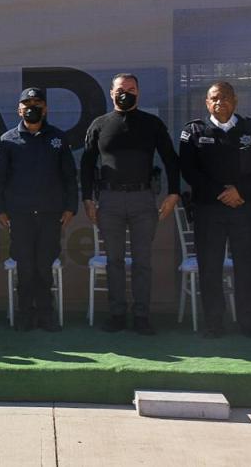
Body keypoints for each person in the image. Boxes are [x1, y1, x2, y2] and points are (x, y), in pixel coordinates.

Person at [81, 73, 181, 335]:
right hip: (110, 200)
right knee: (114, 260)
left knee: (142, 261)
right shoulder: (99, 124)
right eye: (121, 89)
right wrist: (88, 199)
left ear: (139, 92)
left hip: (143, 199)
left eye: (132, 88)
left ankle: (141, 316)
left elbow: (170, 158)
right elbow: (87, 164)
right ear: (111, 93)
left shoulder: (152, 124)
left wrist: (173, 193)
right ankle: (116, 314)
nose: (126, 92)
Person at [179, 81, 251, 339]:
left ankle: (250, 324)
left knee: (247, 266)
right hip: (209, 211)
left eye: (224, 97)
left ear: (235, 100)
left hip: (245, 208)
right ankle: (214, 324)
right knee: (210, 268)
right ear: (206, 103)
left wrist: (240, 192)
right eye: (214, 98)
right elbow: (189, 170)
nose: (219, 102)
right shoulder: (195, 132)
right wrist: (221, 194)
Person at [0, 88, 77, 332]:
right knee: (25, 267)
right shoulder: (8, 140)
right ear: (19, 109)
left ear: (45, 108)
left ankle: (46, 315)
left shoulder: (58, 138)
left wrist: (71, 207)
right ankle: (25, 314)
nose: (31, 106)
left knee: (44, 265)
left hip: (51, 215)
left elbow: (70, 175)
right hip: (20, 216)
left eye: (37, 102)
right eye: (26, 103)